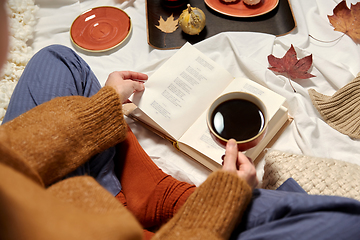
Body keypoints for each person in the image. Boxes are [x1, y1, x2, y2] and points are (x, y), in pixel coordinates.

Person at [1, 1, 360, 239]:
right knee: (346, 223)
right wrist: (224, 196)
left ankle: (118, 192)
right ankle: (155, 200)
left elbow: (14, 159)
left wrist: (103, 108)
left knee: (59, 60)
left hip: (57, 206)